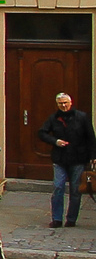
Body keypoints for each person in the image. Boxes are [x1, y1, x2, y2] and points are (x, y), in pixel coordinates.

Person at [35, 91, 95, 229]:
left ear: (70, 103)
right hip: (60, 159)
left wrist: (93, 156)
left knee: (75, 190)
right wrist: (55, 141)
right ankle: (57, 219)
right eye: (60, 103)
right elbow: (42, 132)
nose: (63, 105)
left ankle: (71, 219)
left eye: (65, 103)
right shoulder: (54, 118)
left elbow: (91, 137)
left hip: (78, 158)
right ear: (57, 104)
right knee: (58, 187)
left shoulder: (81, 117)